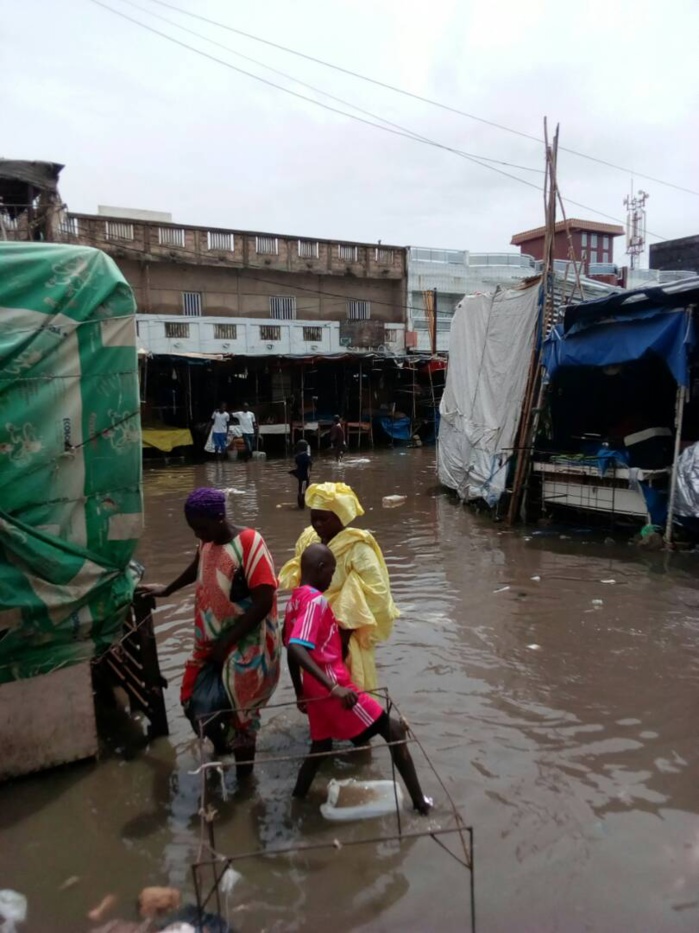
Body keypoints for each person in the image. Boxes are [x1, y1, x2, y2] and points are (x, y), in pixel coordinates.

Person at [138, 487, 280, 776]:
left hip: (247, 646)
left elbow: (265, 600)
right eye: (193, 529)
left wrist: (228, 641)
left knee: (243, 716)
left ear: (219, 518)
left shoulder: (250, 543)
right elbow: (197, 566)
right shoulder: (208, 541)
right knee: (195, 703)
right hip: (212, 643)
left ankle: (244, 783)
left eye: (200, 528)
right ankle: (223, 746)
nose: (197, 535)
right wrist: (168, 589)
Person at [284, 544, 431, 813]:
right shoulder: (316, 602)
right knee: (395, 731)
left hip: (313, 688)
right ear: (319, 569)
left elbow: (289, 649)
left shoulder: (294, 600)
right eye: (331, 570)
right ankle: (422, 805)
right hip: (331, 686)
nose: (332, 577)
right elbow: (296, 646)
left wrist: (299, 691)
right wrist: (334, 688)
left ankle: (296, 804)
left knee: (320, 748)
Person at [279, 482, 397, 692]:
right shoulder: (308, 539)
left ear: (339, 517)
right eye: (313, 518)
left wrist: (345, 633)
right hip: (312, 623)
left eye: (323, 519)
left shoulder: (358, 547)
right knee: (315, 680)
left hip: (347, 627)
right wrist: (292, 621)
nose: (317, 524)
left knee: (351, 681)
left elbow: (376, 592)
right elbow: (301, 581)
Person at [289, 440, 312, 509]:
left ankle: (300, 506)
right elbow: (310, 465)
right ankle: (302, 507)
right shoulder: (307, 457)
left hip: (300, 477)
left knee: (300, 491)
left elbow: (297, 466)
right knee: (303, 492)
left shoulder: (297, 457)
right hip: (305, 477)